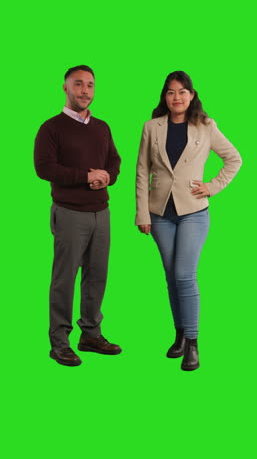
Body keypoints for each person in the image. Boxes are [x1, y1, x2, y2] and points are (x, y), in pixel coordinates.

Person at [136, 71, 242, 371]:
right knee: (171, 277)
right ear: (164, 96)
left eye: (182, 92)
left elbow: (234, 158)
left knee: (184, 274)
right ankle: (179, 334)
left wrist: (212, 186)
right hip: (159, 214)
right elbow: (142, 171)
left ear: (192, 95)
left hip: (194, 211)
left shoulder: (205, 126)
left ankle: (193, 343)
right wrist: (141, 212)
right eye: (170, 92)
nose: (176, 97)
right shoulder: (151, 127)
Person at [34, 65, 122, 366]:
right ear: (66, 88)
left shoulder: (102, 127)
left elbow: (114, 161)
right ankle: (59, 342)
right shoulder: (51, 128)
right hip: (70, 213)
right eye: (79, 84)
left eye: (90, 85)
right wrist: (86, 177)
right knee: (64, 279)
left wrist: (107, 176)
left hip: (102, 213)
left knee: (97, 276)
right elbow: (44, 168)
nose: (85, 91)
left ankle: (91, 334)